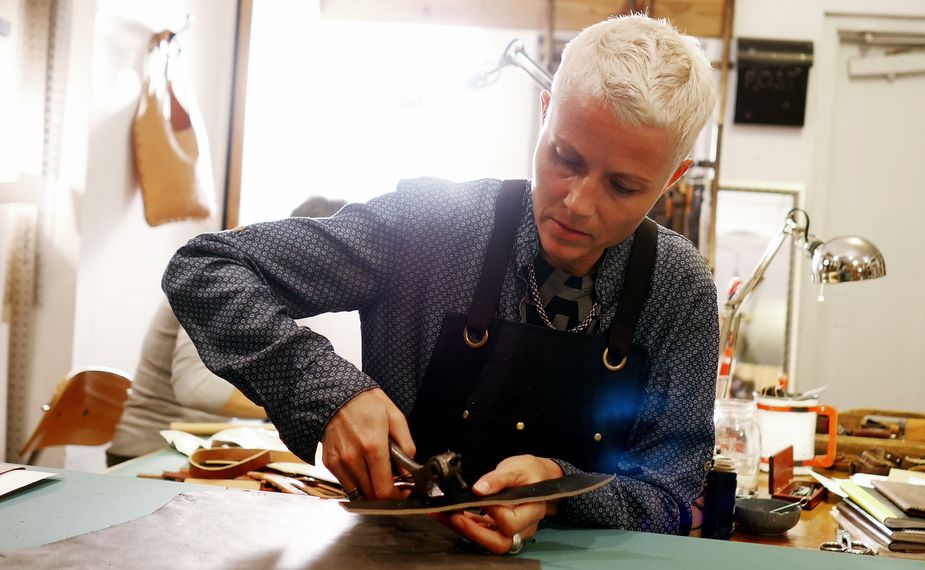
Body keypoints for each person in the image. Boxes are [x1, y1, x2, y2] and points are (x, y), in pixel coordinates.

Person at [164, 15, 718, 555]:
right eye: (564, 158)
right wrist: (330, 392)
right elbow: (206, 269)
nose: (577, 203)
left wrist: (554, 491)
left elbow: (668, 494)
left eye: (623, 186)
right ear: (545, 111)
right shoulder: (432, 224)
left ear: (671, 178)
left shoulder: (679, 287)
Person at [106, 301, 267, 466]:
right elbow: (197, 388)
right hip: (152, 453)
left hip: (195, 449)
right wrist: (288, 409)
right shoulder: (211, 281)